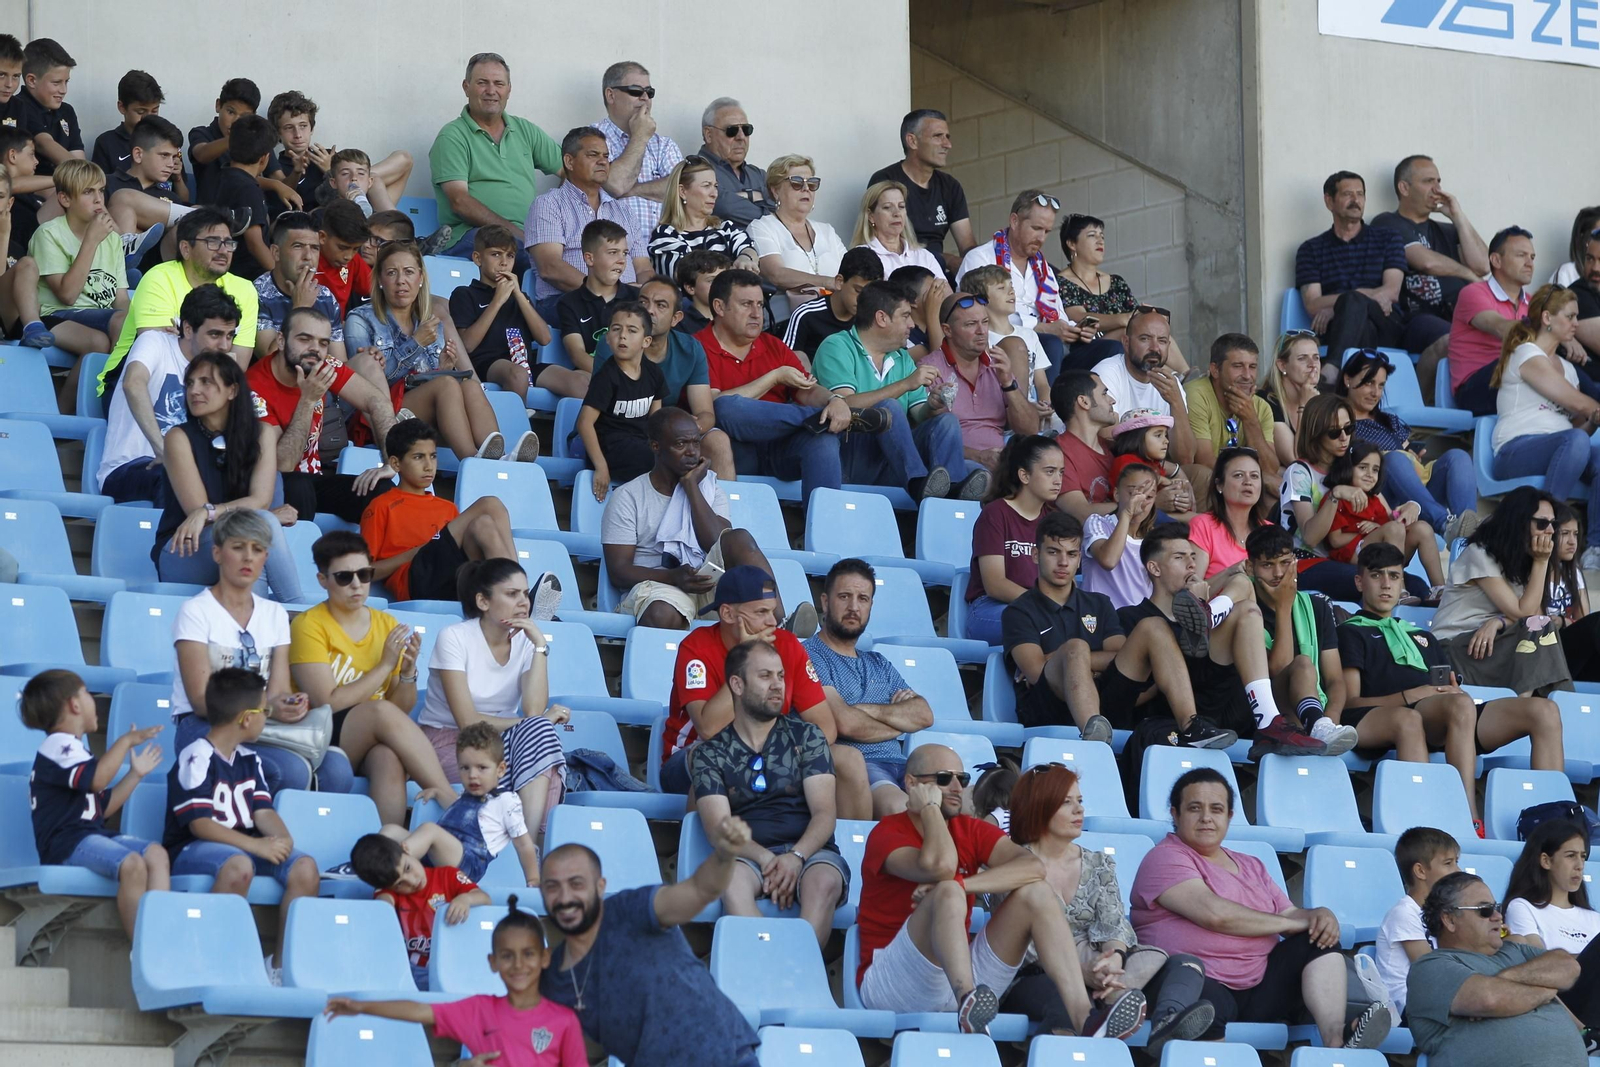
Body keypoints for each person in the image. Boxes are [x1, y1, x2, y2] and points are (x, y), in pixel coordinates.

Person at [855, 741, 1147, 1039]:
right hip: (895, 980)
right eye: (943, 779)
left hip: (959, 970)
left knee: (1036, 892)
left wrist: (964, 884)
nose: (957, 786)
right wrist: (929, 808)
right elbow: (941, 867)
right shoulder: (887, 832)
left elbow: (1033, 868)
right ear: (912, 783)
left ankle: (1085, 1019)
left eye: (962, 778)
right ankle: (967, 1000)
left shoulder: (970, 829)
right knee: (946, 891)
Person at [1132, 767, 1393, 1048]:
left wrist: (1320, 915)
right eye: (1195, 808)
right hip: (1196, 981)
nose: (1206, 817)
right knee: (1207, 1005)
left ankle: (1336, 1040)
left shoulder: (1251, 864)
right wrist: (1292, 924)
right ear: (1175, 814)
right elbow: (1215, 915)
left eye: (1216, 809)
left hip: (1259, 987)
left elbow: (1290, 913)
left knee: (1317, 939)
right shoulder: (1164, 857)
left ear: (1230, 816)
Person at [1346, 543, 1565, 837]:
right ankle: (1467, 818)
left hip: (1444, 717)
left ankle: (1558, 827)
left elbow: (1446, 688)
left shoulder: (1422, 636)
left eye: (1395, 576)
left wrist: (1450, 693)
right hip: (1390, 715)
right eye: (1376, 576)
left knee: (1545, 711)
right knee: (1455, 708)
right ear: (1360, 581)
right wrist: (1410, 696)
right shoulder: (1350, 631)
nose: (1386, 584)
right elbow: (1350, 703)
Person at [1002, 762, 1216, 1053]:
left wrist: (1114, 958)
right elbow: (1022, 948)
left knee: (1186, 965)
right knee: (1064, 998)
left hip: (1104, 974)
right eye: (1066, 803)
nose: (1079, 810)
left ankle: (1168, 1024)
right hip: (1039, 977)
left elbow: (1114, 923)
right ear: (1039, 806)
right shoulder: (1010, 865)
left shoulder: (1098, 863)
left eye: (1080, 801)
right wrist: (1080, 972)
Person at [1001, 511, 1236, 747]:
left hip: (1104, 699)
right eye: (1053, 552)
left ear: (1080, 559)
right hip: (1050, 708)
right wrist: (1076, 657)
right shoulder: (1019, 611)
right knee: (1075, 646)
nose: (1063, 562)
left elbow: (1120, 654)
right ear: (1035, 555)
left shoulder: (1099, 603)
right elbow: (1036, 672)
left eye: (1072, 554)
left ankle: (1191, 725)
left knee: (1153, 626)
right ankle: (1092, 735)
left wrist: (1078, 661)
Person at [538, 830, 763, 1065]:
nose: (565, 897)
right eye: (553, 887)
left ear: (600, 886)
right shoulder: (553, 979)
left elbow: (698, 890)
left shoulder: (629, 909)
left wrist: (724, 855)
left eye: (576, 884)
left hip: (725, 1057)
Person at [167, 509, 346, 793]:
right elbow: (202, 701)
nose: (248, 557)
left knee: (338, 771)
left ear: (266, 558)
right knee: (289, 771)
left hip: (259, 722)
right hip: (206, 727)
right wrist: (267, 706)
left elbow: (277, 690)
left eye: (258, 549)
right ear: (217, 553)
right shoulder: (195, 612)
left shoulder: (274, 614)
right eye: (238, 548)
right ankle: (265, 836)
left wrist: (289, 703)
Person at [662, 566, 865, 814]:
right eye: (761, 612)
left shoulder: (787, 645)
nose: (773, 622)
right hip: (691, 758)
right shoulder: (696, 648)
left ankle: (849, 847)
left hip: (772, 752)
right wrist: (748, 659)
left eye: (772, 612)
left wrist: (785, 753)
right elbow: (708, 729)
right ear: (727, 613)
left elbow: (825, 727)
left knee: (849, 760)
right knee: (720, 757)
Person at [288, 530, 457, 827]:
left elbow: (399, 707)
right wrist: (384, 666)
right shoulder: (308, 625)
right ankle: (450, 800)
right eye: (344, 577)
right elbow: (326, 702)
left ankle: (387, 850)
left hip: (368, 734)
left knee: (387, 757)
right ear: (322, 580)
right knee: (378, 710)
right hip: (318, 735)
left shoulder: (385, 624)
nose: (357, 584)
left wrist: (406, 673)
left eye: (364, 575)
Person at [164, 667, 321, 981]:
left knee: (304, 867)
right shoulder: (196, 756)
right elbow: (199, 824)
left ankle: (279, 967)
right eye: (265, 711)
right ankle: (208, 961)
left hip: (244, 847)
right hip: (193, 850)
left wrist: (282, 839)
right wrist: (255, 846)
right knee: (239, 866)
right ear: (246, 719)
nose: (267, 717)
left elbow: (262, 810)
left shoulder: (251, 759)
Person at [691, 639, 848, 947]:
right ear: (737, 684)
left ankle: (796, 969)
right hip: (747, 855)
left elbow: (825, 813)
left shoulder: (807, 736)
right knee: (730, 882)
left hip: (812, 853)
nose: (777, 685)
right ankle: (768, 962)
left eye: (780, 675)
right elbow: (719, 828)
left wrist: (795, 857)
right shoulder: (709, 753)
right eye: (765, 676)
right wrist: (767, 859)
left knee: (825, 881)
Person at [1126, 524, 1323, 757]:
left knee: (1247, 603)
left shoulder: (1308, 604)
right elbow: (1130, 688)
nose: (1192, 564)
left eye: (1193, 556)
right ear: (1154, 568)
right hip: (1185, 706)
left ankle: (1269, 720)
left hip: (1226, 699)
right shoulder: (1133, 617)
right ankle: (1270, 720)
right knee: (1244, 594)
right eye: (1180, 557)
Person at [322, 896, 588, 1067]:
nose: (518, 965)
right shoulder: (478, 1010)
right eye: (507, 956)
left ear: (545, 958)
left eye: (528, 954)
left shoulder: (564, 1021)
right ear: (492, 962)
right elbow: (419, 1010)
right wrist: (362, 1006)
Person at [417, 558, 568, 841]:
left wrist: (539, 645)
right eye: (512, 594)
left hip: (500, 743)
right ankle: (525, 844)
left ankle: (530, 843)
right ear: (483, 602)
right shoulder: (454, 637)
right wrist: (531, 723)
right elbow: (468, 721)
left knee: (541, 738)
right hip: (449, 742)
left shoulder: (525, 641)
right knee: (539, 739)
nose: (524, 602)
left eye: (525, 593)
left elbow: (534, 710)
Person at [699, 268, 880, 504]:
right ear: (720, 307)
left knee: (822, 441)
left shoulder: (773, 345)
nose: (756, 313)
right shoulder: (698, 346)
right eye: (746, 304)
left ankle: (823, 530)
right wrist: (774, 377)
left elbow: (808, 389)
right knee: (725, 406)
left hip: (780, 445)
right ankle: (819, 418)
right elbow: (712, 407)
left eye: (759, 305)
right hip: (734, 445)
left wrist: (833, 401)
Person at [600, 407, 788, 630]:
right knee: (662, 613)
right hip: (660, 585)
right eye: (681, 444)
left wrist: (691, 487)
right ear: (656, 447)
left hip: (706, 580)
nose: (692, 452)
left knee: (739, 539)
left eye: (696, 443)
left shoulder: (709, 488)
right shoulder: (628, 497)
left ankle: (780, 622)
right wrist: (673, 577)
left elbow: (715, 542)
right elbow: (618, 572)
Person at [23, 668, 168, 939]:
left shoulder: (75, 749)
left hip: (90, 835)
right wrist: (124, 742)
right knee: (132, 863)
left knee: (156, 854)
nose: (93, 701)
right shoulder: (57, 746)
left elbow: (104, 807)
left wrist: (136, 775)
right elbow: (98, 781)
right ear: (75, 704)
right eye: (87, 694)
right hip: (66, 844)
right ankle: (143, 949)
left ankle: (160, 939)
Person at [346, 241, 521, 462]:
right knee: (446, 385)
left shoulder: (431, 321)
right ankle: (473, 461)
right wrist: (415, 344)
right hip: (381, 417)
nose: (401, 281)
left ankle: (499, 458)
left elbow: (425, 378)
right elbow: (362, 386)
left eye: (409, 272)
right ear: (380, 280)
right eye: (392, 273)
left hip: (424, 409)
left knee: (469, 385)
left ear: (420, 279)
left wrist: (442, 368)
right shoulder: (360, 320)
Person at [813, 279, 986, 500]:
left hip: (892, 461)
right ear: (881, 318)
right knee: (889, 408)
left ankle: (948, 498)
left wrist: (933, 405)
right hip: (848, 459)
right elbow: (844, 405)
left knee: (946, 423)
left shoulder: (902, 358)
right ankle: (918, 485)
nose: (913, 324)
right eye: (905, 316)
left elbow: (918, 415)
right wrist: (905, 384)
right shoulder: (836, 346)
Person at [151, 351, 302, 599]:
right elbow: (197, 512)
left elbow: (261, 500)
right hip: (186, 549)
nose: (194, 391)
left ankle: (259, 629)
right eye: (190, 383)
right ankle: (299, 613)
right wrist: (210, 512)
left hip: (243, 540)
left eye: (206, 382)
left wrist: (211, 510)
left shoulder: (261, 433)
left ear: (232, 391)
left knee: (255, 544)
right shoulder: (178, 438)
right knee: (261, 527)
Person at [1408, 871, 1588, 1066]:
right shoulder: (1430, 967)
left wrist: (1505, 978)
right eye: (1485, 910)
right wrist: (1548, 988)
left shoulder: (1514, 951)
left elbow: (1568, 966)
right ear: (1450, 920)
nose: (1497, 916)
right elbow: (1490, 999)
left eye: (1496, 908)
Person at [804, 559, 935, 819]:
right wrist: (898, 721)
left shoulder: (879, 662)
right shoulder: (809, 655)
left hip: (902, 765)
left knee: (961, 801)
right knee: (905, 811)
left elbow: (924, 714)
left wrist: (864, 710)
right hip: (862, 768)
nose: (854, 607)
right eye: (844, 596)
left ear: (870, 606)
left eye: (863, 599)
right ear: (825, 602)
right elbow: (845, 724)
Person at [362, 420, 543, 604]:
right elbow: (363, 571)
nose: (428, 465)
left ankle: (510, 598)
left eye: (433, 456)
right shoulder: (382, 506)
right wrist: (413, 554)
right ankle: (522, 596)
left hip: (453, 582)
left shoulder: (447, 507)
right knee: (490, 504)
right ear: (395, 463)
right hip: (415, 582)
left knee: (483, 525)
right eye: (418, 457)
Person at [247, 306, 400, 523]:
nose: (314, 349)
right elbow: (282, 465)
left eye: (323, 343)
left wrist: (391, 462)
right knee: (297, 485)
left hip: (313, 481)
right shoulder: (254, 387)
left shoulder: (322, 365)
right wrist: (307, 400)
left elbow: (378, 402)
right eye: (304, 339)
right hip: (271, 489)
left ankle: (371, 556)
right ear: (281, 341)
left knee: (382, 490)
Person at [1488, 284, 1600, 569]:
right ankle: (1547, 532)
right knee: (1575, 440)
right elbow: (1580, 405)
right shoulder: (1526, 353)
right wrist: (1591, 412)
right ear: (1547, 318)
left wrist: (1593, 420)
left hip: (1561, 447)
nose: (1576, 323)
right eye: (1570, 316)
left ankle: (1596, 548)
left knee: (1588, 447)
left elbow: (1580, 429)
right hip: (1514, 452)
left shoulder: (1568, 368)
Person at [96, 207, 259, 399]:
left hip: (207, 390)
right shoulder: (159, 278)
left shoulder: (245, 289)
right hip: (133, 385)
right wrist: (217, 353)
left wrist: (182, 339)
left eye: (228, 243)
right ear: (185, 249)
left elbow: (238, 364)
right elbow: (160, 355)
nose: (224, 250)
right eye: (213, 242)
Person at [1280, 393, 1428, 602]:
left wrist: (1412, 506)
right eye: (1334, 432)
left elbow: (1388, 519)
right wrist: (1335, 494)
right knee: (1370, 583)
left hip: (1348, 558)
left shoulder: (1353, 467)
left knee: (1418, 586)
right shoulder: (1300, 472)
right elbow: (1311, 537)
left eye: (1348, 428)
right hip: (1307, 563)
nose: (1344, 437)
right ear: (1316, 433)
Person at [1432, 486, 1577, 698]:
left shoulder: (1525, 563)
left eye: (1553, 524)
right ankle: (1528, 710)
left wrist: (1498, 622)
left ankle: (1544, 708)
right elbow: (1523, 615)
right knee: (1542, 631)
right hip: (1456, 648)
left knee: (1542, 630)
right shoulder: (1479, 554)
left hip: (1494, 644)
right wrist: (1541, 561)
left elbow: (1534, 618)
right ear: (1518, 522)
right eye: (1542, 523)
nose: (1550, 531)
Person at [97, 285, 238, 502]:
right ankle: (172, 537)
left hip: (191, 472)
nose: (224, 345)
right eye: (215, 334)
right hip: (129, 468)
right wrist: (164, 450)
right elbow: (133, 384)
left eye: (230, 336)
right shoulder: (155, 342)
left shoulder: (219, 371)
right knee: (174, 476)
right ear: (188, 329)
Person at [1295, 170, 1444, 371]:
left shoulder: (1388, 239)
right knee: (1356, 311)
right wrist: (1351, 304)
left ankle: (1331, 371)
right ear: (1329, 201)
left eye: (1360, 194)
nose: (1356, 200)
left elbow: (1391, 292)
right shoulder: (1310, 249)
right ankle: (1356, 387)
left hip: (1386, 323)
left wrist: (1339, 305)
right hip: (1339, 328)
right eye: (1348, 194)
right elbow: (1313, 304)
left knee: (1352, 302)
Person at [429, 52, 562, 270]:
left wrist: (558, 218)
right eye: (482, 83)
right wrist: (518, 234)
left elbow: (573, 171)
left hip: (527, 236)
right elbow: (459, 201)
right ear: (466, 87)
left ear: (509, 89)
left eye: (499, 83)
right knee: (542, 262)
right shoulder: (453, 136)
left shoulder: (525, 130)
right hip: (474, 236)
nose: (491, 91)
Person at [1339, 347, 1478, 543]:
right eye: (1369, 383)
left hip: (1415, 492)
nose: (1375, 392)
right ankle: (1445, 524)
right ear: (1348, 380)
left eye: (1381, 385)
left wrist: (1411, 454)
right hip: (1384, 497)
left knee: (1458, 456)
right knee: (1393, 459)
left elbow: (1406, 449)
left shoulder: (1389, 421)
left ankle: (1469, 533)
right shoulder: (1340, 421)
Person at [1239, 525, 1355, 754]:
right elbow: (1278, 669)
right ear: (1250, 567)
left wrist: (1329, 721)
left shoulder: (1317, 606)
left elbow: (1335, 680)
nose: (1279, 574)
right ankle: (1315, 726)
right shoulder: (1245, 610)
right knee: (1302, 663)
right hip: (1266, 714)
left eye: (1284, 562)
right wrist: (1284, 606)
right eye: (1267, 565)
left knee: (1305, 667)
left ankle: (1318, 726)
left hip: (1314, 714)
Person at [451, 223, 589, 402]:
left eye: (510, 256)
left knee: (580, 381)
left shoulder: (520, 297)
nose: (504, 262)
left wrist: (518, 295)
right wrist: (497, 300)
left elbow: (544, 338)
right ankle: (518, 426)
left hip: (524, 363)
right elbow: (467, 345)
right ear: (478, 259)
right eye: (495, 254)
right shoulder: (465, 294)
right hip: (486, 364)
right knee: (518, 375)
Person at [387, 722, 538, 886]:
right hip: (440, 853)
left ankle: (396, 866)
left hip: (468, 864)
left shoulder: (505, 800)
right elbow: (456, 810)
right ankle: (376, 867)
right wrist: (438, 793)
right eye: (465, 768)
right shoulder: (466, 796)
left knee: (429, 829)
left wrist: (533, 878)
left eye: (482, 768)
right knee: (390, 831)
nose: (472, 775)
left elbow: (523, 844)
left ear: (500, 769)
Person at [528, 126, 649, 321]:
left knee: (674, 311)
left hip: (624, 303)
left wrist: (647, 296)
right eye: (593, 155)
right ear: (569, 161)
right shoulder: (548, 204)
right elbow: (550, 267)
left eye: (606, 156)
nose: (603, 161)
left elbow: (643, 268)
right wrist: (609, 293)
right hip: (567, 300)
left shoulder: (623, 211)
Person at [347, 832, 491, 989]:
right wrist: (383, 904)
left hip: (457, 965)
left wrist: (466, 899)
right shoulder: (388, 894)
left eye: (407, 868)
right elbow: (382, 907)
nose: (412, 881)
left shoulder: (448, 875)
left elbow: (484, 899)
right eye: (399, 884)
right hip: (415, 971)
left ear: (407, 850)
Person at [923, 293, 1043, 472]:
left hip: (1001, 464)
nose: (982, 331)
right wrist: (978, 456)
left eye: (985, 322)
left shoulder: (998, 365)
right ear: (947, 330)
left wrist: (1009, 383)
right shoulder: (930, 369)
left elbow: (1029, 430)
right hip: (956, 466)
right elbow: (927, 440)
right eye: (971, 324)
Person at [956, 190, 1075, 369]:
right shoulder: (979, 258)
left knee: (1107, 348)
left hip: (1051, 342)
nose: (1042, 238)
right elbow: (979, 315)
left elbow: (1059, 315)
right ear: (1014, 221)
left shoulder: (1044, 269)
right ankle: (1046, 398)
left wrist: (1074, 329)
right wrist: (1040, 327)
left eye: (1047, 231)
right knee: (1051, 344)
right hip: (1002, 344)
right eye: (1036, 228)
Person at [1370, 155, 1490, 331]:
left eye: (1438, 182)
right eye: (1428, 181)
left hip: (1460, 314)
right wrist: (1469, 275)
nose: (1437, 189)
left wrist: (1458, 217)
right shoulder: (1387, 222)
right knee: (1458, 339)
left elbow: (1483, 266)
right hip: (1415, 320)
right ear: (1404, 188)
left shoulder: (1449, 230)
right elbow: (1426, 262)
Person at [29, 159, 126, 375]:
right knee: (109, 332)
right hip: (56, 314)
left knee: (129, 322)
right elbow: (67, 295)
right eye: (88, 192)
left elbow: (121, 298)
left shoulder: (113, 239)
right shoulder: (48, 234)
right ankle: (113, 389)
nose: (98, 199)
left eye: (101, 191)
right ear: (64, 198)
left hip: (101, 315)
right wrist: (91, 241)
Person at [967, 435, 1064, 642]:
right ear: (1024, 475)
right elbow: (995, 584)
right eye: (1049, 472)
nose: (1058, 480)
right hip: (990, 608)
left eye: (1061, 472)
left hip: (1039, 608)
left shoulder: (1054, 520)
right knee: (1044, 626)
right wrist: (1042, 605)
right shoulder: (995, 514)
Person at [1506, 820, 1600, 1029]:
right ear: (1546, 861)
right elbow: (1540, 963)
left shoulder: (1594, 918)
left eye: (1583, 856)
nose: (1580, 865)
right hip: (1564, 1000)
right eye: (1570, 856)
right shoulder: (1523, 907)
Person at [1323, 440, 1445, 591]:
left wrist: (1412, 507)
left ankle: (1440, 589)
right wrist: (1370, 532)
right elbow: (1335, 540)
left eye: (1375, 470)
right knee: (1393, 529)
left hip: (1383, 551)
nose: (1369, 474)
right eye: (1362, 467)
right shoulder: (1337, 497)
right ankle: (1399, 590)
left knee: (1422, 528)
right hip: (1351, 555)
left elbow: (1390, 524)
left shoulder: (1374, 498)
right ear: (1348, 468)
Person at [869, 109, 974, 270]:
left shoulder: (950, 186)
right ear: (912, 141)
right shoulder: (886, 181)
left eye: (947, 137)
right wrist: (946, 259)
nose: (947, 144)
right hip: (899, 272)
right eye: (938, 136)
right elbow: (886, 244)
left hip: (938, 273)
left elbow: (967, 246)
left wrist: (982, 265)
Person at [578, 300, 664, 493]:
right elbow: (584, 423)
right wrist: (601, 466)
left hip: (642, 444)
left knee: (679, 456)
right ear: (608, 338)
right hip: (609, 449)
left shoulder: (654, 374)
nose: (622, 336)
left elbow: (656, 420)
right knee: (660, 461)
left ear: (646, 341)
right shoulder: (606, 377)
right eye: (616, 329)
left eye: (632, 331)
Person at [1090, 307, 1196, 465]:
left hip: (1156, 468)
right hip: (1118, 470)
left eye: (1162, 341)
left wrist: (1176, 403)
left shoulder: (1171, 385)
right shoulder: (1106, 373)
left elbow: (1185, 458)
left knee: (1200, 475)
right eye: (1145, 339)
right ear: (1126, 343)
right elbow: (1107, 441)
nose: (1154, 348)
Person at [1450, 225, 1537, 414]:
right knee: (1527, 361)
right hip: (1475, 389)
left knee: (1566, 369)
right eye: (1521, 255)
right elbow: (1500, 327)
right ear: (1496, 260)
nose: (1530, 263)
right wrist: (1549, 329)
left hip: (1515, 380)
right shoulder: (1473, 293)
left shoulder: (1533, 303)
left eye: (1532, 257)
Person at [1376, 827, 1460, 1021]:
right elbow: (1431, 970)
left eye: (1457, 862)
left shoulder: (1443, 912)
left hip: (1435, 1001)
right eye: (1448, 863)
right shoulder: (1404, 913)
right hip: (1406, 1008)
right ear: (1420, 871)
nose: (1458, 871)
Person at [251, 212, 351, 369]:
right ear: (276, 253)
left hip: (319, 383)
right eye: (298, 246)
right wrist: (299, 308)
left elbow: (339, 363)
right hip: (276, 389)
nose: (308, 256)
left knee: (368, 362)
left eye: (314, 248)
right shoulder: (256, 294)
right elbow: (270, 361)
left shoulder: (325, 296)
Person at [592, 61, 681, 238]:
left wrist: (633, 189)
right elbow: (617, 185)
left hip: (668, 250)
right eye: (635, 91)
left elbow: (681, 190)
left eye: (649, 92)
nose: (645, 98)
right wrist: (640, 136)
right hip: (617, 254)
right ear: (611, 95)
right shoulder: (592, 138)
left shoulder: (664, 145)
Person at [747, 154, 847, 310]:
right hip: (787, 320)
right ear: (775, 191)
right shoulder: (762, 227)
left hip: (835, 317)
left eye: (812, 184)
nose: (806, 189)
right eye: (797, 183)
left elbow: (849, 273)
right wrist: (828, 282)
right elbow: (776, 274)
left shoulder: (827, 231)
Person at [1185, 333, 1279, 484]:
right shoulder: (1196, 395)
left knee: (1276, 483)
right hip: (1206, 481)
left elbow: (1270, 468)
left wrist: (1250, 420)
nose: (1247, 376)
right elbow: (1204, 461)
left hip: (1242, 481)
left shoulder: (1262, 407)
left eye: (1252, 367)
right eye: (1238, 366)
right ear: (1215, 370)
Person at [960, 265, 1051, 417]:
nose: (1011, 292)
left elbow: (1042, 384)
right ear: (980, 298)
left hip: (1036, 410)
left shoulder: (1029, 335)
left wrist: (1046, 404)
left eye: (1011, 286)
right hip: (1003, 413)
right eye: (1001, 287)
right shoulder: (979, 339)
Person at [647, 154, 755, 281]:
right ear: (682, 191)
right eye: (706, 185)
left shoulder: (725, 228)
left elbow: (748, 248)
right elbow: (684, 276)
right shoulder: (665, 234)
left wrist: (745, 258)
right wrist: (733, 270)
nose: (714, 194)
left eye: (715, 186)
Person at [555, 218, 640, 373]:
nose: (621, 260)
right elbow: (577, 354)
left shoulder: (637, 298)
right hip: (595, 378)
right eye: (613, 253)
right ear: (589, 258)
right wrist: (612, 378)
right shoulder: (569, 303)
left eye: (625, 253)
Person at [1057, 213, 1139, 357]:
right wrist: (1123, 319)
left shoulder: (1116, 282)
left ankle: (1184, 374)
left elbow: (1136, 318)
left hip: (1128, 351)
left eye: (1102, 236)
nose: (1100, 241)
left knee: (1152, 329)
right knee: (1133, 332)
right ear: (1072, 243)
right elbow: (1079, 316)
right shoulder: (1060, 282)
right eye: (1092, 235)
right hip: (1088, 350)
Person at [781, 246, 883, 361]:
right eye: (858, 291)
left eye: (869, 293)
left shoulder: (873, 318)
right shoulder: (806, 314)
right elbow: (785, 360)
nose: (863, 299)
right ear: (839, 282)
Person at [1188, 448, 1273, 582]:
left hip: (1261, 602)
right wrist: (1229, 574)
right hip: (1218, 602)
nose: (1248, 482)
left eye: (1254, 476)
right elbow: (1193, 592)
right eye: (1238, 475)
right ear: (1219, 485)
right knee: (1240, 581)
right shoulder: (1203, 525)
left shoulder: (1270, 531)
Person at [1082, 462, 1159, 609]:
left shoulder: (1154, 539)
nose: (1141, 502)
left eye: (1148, 496)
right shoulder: (1097, 523)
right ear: (1116, 494)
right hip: (1102, 621)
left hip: (1141, 623)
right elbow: (1108, 560)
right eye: (1134, 494)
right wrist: (1127, 514)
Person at [210, 114, 275, 280]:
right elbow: (255, 243)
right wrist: (278, 275)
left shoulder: (223, 176)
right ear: (264, 158)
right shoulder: (249, 189)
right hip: (248, 277)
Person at [1105, 408, 1196, 521]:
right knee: (1199, 521)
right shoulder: (1125, 461)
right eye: (1158, 435)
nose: (1166, 441)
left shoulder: (1154, 464)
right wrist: (1166, 482)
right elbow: (1140, 492)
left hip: (1152, 516)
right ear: (1136, 438)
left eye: (1165, 435)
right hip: (1133, 520)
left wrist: (1180, 500)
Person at [1051, 371, 1118, 520]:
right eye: (1104, 394)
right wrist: (1141, 506)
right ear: (1084, 402)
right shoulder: (1058, 453)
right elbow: (1080, 513)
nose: (1112, 400)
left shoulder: (1113, 448)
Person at [16, 38, 83, 182]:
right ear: (32, 81)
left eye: (66, 82)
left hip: (67, 184)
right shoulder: (19, 106)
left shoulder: (67, 111)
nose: (64, 90)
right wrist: (85, 175)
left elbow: (77, 155)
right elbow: (43, 143)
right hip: (33, 189)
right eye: (56, 83)